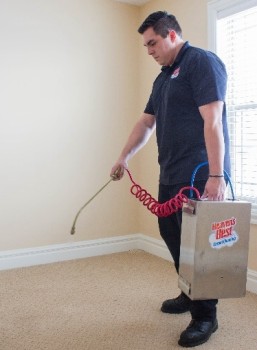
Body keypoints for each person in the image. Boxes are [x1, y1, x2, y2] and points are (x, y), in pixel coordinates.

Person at [110, 11, 231, 348]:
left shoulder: (201, 63)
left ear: (172, 35)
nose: (149, 50)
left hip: (201, 174)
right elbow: (147, 122)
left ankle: (205, 315)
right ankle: (188, 292)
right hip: (172, 172)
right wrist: (124, 157)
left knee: (199, 247)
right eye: (146, 45)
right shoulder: (163, 78)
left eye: (153, 43)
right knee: (171, 232)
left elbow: (214, 121)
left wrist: (217, 176)